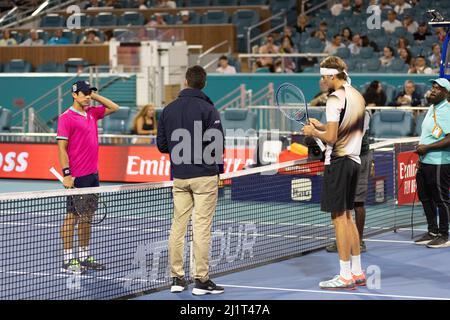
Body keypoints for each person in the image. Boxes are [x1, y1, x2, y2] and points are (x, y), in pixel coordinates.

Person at [157, 66, 225, 295]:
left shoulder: (167, 110)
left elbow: (162, 146)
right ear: (203, 83)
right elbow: (216, 146)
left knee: (178, 227)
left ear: (186, 81)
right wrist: (220, 173)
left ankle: (176, 278)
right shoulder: (209, 109)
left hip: (180, 178)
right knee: (201, 228)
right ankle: (201, 280)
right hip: (204, 176)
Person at [303, 56, 366, 290]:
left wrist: (313, 131)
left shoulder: (333, 98)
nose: (321, 80)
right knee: (348, 216)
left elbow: (331, 138)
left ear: (332, 75)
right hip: (354, 161)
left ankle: (344, 275)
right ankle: (357, 271)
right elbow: (341, 129)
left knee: (339, 219)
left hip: (338, 162)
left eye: (323, 76)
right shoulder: (357, 96)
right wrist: (322, 126)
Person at [57, 80, 119, 273]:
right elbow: (61, 148)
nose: (87, 96)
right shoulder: (66, 118)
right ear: (74, 95)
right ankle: (68, 260)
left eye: (89, 93)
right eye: (84, 93)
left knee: (88, 217)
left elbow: (114, 107)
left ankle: (83, 256)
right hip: (78, 177)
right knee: (71, 218)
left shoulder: (92, 113)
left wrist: (94, 95)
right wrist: (67, 174)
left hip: (93, 175)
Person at [326, 109, 373, 253]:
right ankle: (343, 239)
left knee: (357, 203)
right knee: (341, 202)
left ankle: (358, 241)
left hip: (359, 157)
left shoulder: (362, 111)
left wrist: (317, 132)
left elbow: (348, 134)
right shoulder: (340, 109)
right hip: (342, 157)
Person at [414, 78, 450, 248]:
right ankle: (432, 231)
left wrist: (427, 148)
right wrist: (422, 154)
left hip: (439, 162)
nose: (433, 90)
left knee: (441, 199)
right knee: (425, 197)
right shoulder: (431, 108)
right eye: (433, 87)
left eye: (438, 88)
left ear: (446, 93)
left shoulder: (447, 110)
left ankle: (444, 234)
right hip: (424, 161)